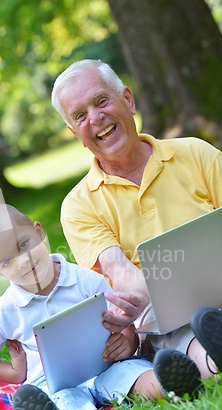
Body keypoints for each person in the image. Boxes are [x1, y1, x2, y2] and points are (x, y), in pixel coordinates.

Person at [0, 203, 201, 410]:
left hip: (106, 365)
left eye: (24, 244)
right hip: (54, 384)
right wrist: (14, 373)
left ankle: (173, 383)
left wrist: (127, 341)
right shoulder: (4, 311)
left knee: (141, 378)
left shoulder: (83, 279)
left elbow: (122, 322)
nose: (23, 261)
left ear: (39, 232)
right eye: (7, 261)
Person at [52, 59, 222, 380]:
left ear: (128, 100)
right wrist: (135, 301)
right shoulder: (78, 206)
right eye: (80, 116)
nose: (95, 118)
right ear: (74, 131)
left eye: (101, 101)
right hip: (171, 317)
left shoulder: (195, 153)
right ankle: (215, 355)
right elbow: (121, 272)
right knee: (195, 341)